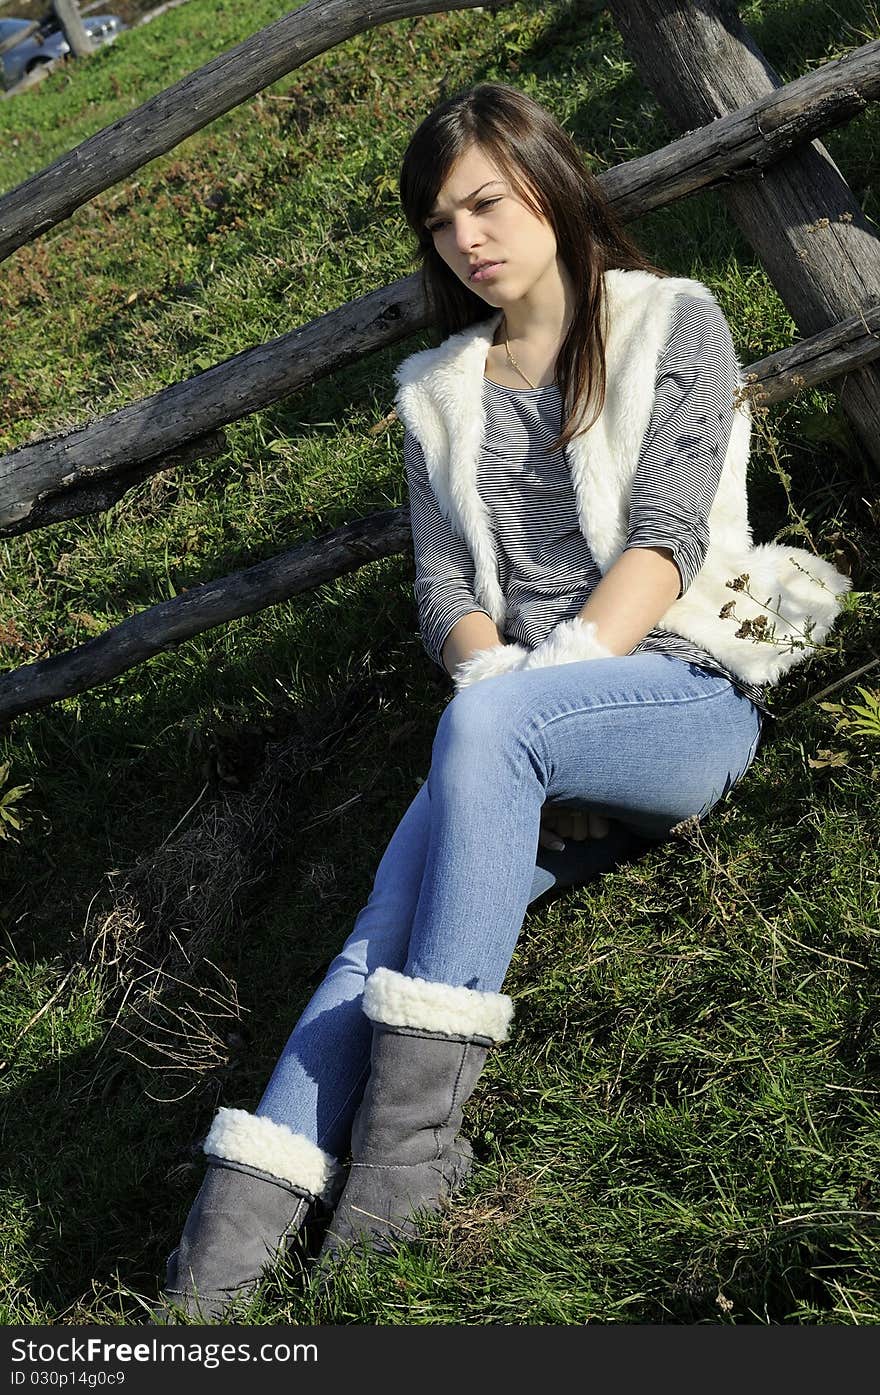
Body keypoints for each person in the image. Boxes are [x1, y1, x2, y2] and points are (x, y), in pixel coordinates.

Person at [156, 82, 850, 1321]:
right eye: (439, 224)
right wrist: (513, 729)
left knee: (479, 737)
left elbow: (671, 537)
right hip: (517, 729)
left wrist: (533, 722)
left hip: (676, 695)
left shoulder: (666, 323)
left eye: (485, 201)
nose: (467, 238)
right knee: (388, 916)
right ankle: (227, 1270)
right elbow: (440, 594)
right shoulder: (435, 393)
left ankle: (399, 1172)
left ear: (549, 180)